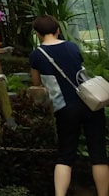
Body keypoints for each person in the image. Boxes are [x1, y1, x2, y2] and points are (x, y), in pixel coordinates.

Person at [29, 14, 109, 196]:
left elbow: (36, 83)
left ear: (38, 34)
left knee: (66, 156)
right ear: (58, 30)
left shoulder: (36, 55)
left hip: (65, 109)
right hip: (91, 103)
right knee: (98, 154)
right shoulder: (72, 47)